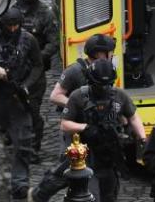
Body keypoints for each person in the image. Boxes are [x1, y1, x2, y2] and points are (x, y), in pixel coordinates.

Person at [32, 34, 118, 202]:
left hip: (96, 129)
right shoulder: (75, 70)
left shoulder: (106, 70)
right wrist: (77, 107)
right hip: (75, 130)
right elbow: (55, 96)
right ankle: (40, 193)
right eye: (109, 52)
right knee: (70, 168)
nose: (112, 55)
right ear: (100, 54)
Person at [0, 5, 42, 199]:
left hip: (16, 95)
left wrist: (27, 85)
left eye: (16, 25)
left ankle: (19, 184)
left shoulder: (28, 40)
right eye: (9, 25)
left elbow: (38, 66)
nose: (13, 29)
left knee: (24, 141)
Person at [59, 59, 146, 202]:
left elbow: (133, 117)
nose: (105, 88)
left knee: (110, 196)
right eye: (100, 85)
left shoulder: (119, 95)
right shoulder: (78, 96)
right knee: (90, 196)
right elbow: (64, 124)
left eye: (108, 84)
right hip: (87, 156)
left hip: (109, 156)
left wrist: (142, 138)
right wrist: (86, 128)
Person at [12, 0, 58, 161]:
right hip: (13, 70)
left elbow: (53, 42)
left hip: (35, 71)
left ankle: (33, 148)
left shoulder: (44, 13)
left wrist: (38, 56)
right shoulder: (12, 11)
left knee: (32, 109)